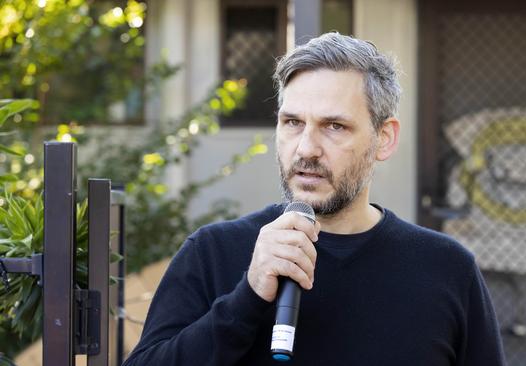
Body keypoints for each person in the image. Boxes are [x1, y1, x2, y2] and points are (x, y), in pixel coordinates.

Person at [123, 32, 505, 366]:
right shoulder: (213, 252)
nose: (306, 149)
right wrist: (248, 297)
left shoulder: (446, 269)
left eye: (334, 126)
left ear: (384, 139)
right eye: (292, 123)